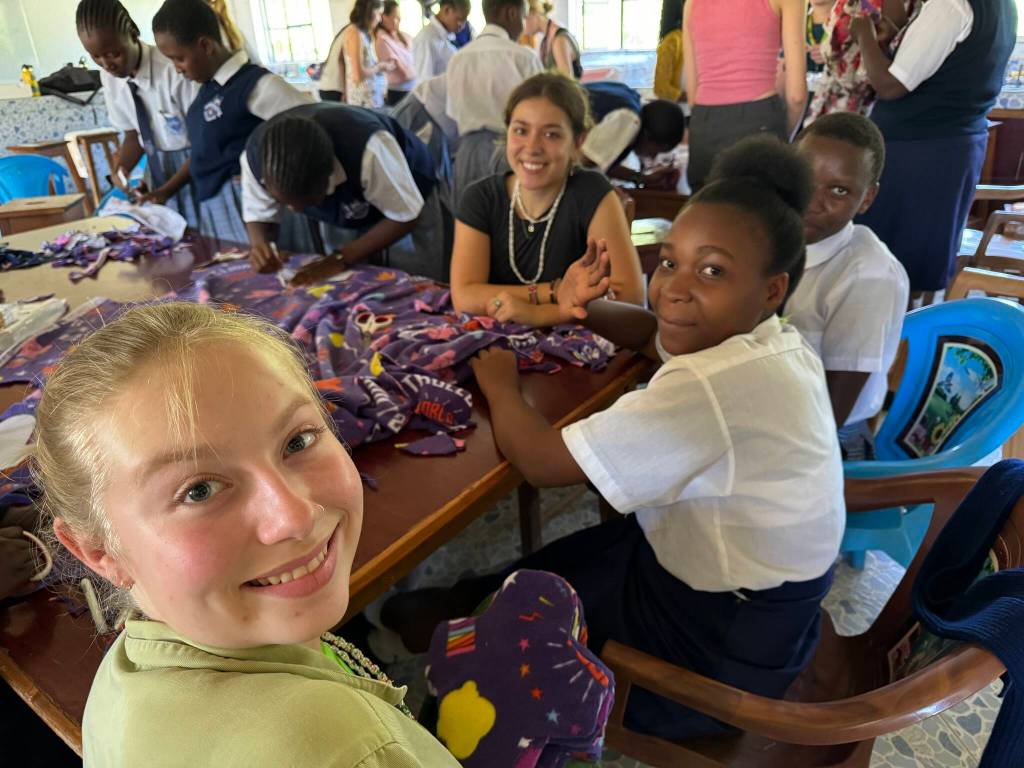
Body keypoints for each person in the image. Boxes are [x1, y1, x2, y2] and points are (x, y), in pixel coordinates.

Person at [383, 135, 844, 740]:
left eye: (712, 270)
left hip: (718, 652)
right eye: (670, 261)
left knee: (510, 650)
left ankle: (437, 697)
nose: (674, 286)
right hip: (742, 595)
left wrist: (500, 386)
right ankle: (449, 610)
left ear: (772, 289)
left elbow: (545, 463)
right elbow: (654, 330)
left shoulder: (713, 389)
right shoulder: (770, 340)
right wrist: (585, 308)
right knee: (549, 567)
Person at [33, 302, 461, 768]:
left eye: (297, 441)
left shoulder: (125, 672)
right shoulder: (346, 747)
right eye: (198, 490)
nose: (294, 517)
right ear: (98, 552)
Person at [850, 0, 1017, 298]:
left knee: (889, 271)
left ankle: (895, 338)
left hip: (919, 153)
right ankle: (907, 335)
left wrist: (863, 32)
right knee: (914, 266)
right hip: (952, 147)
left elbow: (890, 85)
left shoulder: (949, 5)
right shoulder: (1001, 7)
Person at [450, 73, 644, 325]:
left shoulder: (592, 193)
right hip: (495, 347)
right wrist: (553, 292)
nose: (532, 147)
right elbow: (464, 296)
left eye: (551, 135)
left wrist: (540, 314)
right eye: (520, 130)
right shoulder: (480, 198)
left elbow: (629, 297)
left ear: (578, 142)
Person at [787, 112, 909, 458]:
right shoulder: (775, 240)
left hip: (828, 441)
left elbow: (830, 413)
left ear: (867, 199)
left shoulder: (867, 276)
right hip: (776, 408)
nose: (812, 202)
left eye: (838, 190)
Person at [152, 0, 311, 248]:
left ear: (205, 46)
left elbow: (311, 125)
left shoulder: (255, 86)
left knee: (278, 277)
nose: (177, 69)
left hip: (252, 206)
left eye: (179, 59)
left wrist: (264, 175)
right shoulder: (208, 90)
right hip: (219, 206)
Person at [242, 103, 447, 283]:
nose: (295, 210)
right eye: (284, 202)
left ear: (329, 177)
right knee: (348, 276)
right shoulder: (257, 159)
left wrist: (340, 258)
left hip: (409, 187)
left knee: (411, 276)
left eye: (308, 201)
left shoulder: (368, 149)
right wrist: (260, 245)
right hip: (353, 193)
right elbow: (258, 214)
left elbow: (407, 215)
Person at [76, 0, 200, 229]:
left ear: (133, 33)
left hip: (198, 169)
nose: (107, 64)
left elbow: (206, 144)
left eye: (113, 54)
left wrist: (165, 191)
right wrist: (121, 172)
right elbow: (133, 135)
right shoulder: (110, 78)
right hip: (160, 176)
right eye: (96, 57)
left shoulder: (173, 68)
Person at [683, 0, 807, 191]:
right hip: (760, 119)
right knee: (762, 215)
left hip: (705, 125)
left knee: (708, 213)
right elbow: (796, 96)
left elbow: (692, 94)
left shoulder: (691, 3)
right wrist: (784, 139)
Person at [446, 0, 544, 199]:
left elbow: (452, 113)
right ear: (510, 13)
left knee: (471, 221)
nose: (524, 26)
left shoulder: (458, 58)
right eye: (523, 17)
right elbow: (541, 113)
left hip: (467, 156)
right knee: (510, 222)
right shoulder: (523, 58)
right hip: (512, 151)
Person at [581, 83, 686, 189]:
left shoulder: (632, 99)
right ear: (647, 136)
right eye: (656, 151)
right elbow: (583, 164)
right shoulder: (629, 120)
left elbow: (602, 160)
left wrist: (643, 178)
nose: (653, 157)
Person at [342, 0, 392, 109]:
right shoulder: (354, 33)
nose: (380, 19)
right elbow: (358, 75)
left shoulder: (363, 33)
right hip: (363, 103)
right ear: (370, 11)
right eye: (379, 13)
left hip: (372, 100)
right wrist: (380, 67)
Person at [412, 0, 471, 81]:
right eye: (459, 19)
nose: (462, 25)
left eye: (464, 21)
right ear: (447, 10)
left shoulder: (447, 36)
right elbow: (424, 84)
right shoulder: (426, 40)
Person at [524, 0, 582, 79]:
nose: (522, 26)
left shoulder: (559, 39)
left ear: (534, 13)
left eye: (524, 18)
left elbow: (567, 82)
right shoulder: (547, 39)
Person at [375, 0, 417, 106]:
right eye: (395, 18)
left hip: (412, 88)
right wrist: (421, 72)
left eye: (399, 18)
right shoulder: (382, 39)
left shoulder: (401, 35)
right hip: (399, 93)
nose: (398, 21)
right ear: (384, 17)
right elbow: (404, 73)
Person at [653, 0, 685, 102]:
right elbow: (661, 87)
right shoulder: (673, 41)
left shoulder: (689, 38)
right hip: (681, 112)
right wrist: (691, 97)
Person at [318, 24, 349, 102]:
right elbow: (341, 61)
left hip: (327, 86)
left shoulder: (347, 29)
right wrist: (345, 92)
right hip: (335, 89)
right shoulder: (352, 31)